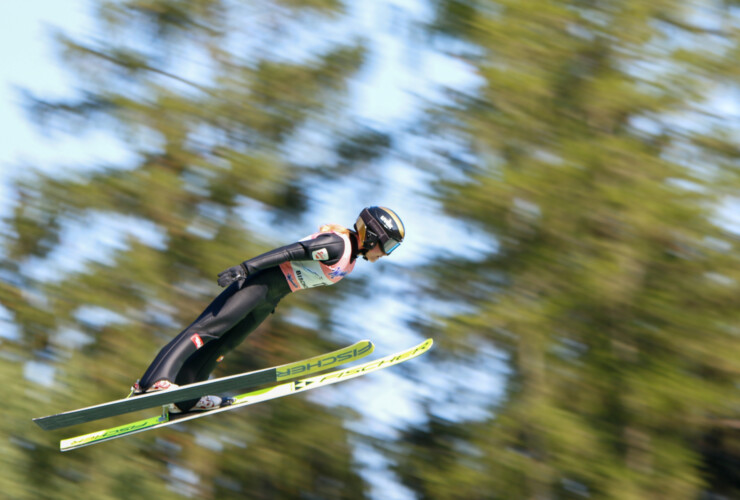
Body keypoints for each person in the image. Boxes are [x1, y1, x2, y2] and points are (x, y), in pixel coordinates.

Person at [129, 206, 405, 412]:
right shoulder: (337, 245)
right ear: (372, 235)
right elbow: (289, 251)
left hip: (270, 299)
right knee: (206, 330)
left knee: (222, 346)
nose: (385, 253)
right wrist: (245, 268)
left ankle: (185, 399)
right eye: (387, 245)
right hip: (258, 284)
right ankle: (153, 381)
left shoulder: (350, 260)